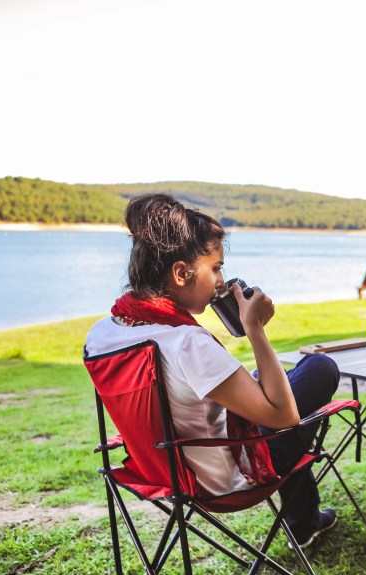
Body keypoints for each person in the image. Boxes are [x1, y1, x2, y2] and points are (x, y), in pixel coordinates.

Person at [85, 193, 340, 548]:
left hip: (161, 467)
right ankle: (303, 519)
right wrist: (255, 330)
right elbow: (285, 417)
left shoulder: (103, 333)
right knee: (319, 368)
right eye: (216, 268)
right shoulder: (187, 342)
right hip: (224, 478)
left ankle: (305, 518)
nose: (221, 282)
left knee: (261, 384)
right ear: (180, 273)